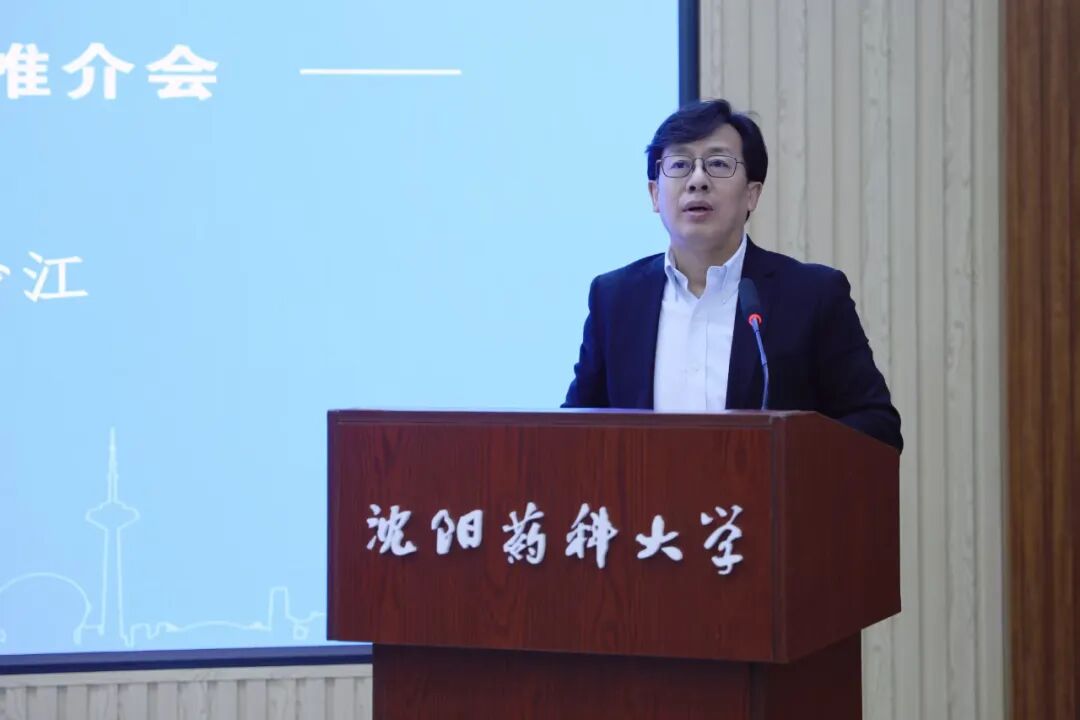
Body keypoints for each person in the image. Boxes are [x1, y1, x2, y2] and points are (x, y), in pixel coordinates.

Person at [562, 99, 903, 452]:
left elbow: (877, 427)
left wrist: (784, 452)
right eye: (679, 165)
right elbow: (570, 434)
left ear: (751, 195)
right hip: (643, 490)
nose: (697, 180)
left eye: (718, 164)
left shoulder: (812, 296)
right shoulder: (615, 299)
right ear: (655, 194)